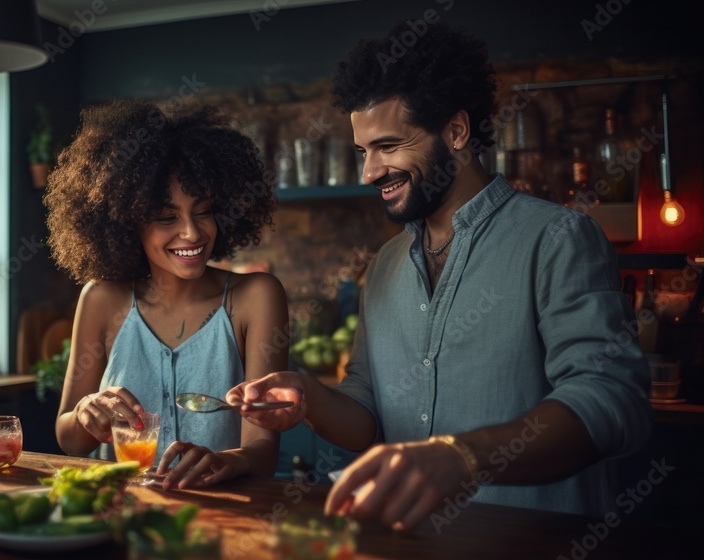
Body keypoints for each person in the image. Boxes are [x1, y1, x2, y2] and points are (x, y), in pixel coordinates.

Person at [227, 21, 652, 530]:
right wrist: (308, 398)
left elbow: (611, 401)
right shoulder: (383, 264)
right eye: (364, 152)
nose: (369, 172)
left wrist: (462, 458)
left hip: (534, 543)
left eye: (387, 146)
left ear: (455, 131)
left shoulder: (558, 239)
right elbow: (367, 414)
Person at [46, 99, 288, 490]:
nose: (192, 233)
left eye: (204, 211)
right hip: (119, 518)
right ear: (126, 222)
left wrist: (226, 461)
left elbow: (262, 451)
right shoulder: (101, 299)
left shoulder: (256, 297)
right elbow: (69, 439)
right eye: (166, 217)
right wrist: (86, 414)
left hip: (221, 520)